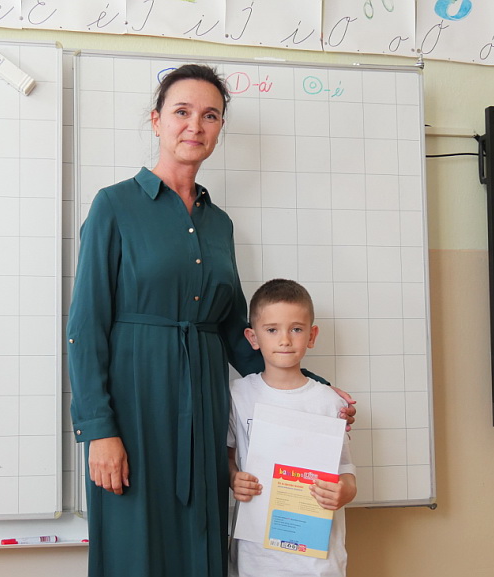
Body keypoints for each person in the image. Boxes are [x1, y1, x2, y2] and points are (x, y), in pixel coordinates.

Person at [67, 64, 354, 577]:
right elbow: (86, 327)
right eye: (182, 112)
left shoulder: (219, 223)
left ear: (219, 128)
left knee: (200, 537)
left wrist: (314, 391)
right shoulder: (114, 206)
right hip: (134, 404)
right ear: (156, 120)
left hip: (204, 405)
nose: (195, 126)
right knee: (136, 545)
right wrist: (98, 430)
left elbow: (236, 331)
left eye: (210, 116)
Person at [228, 279, 357, 577]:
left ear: (312, 336)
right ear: (252, 337)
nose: (285, 340)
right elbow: (227, 457)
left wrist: (344, 492)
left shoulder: (329, 401)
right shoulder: (239, 395)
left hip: (316, 562)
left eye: (296, 329)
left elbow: (346, 472)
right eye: (272, 330)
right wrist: (233, 478)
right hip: (256, 558)